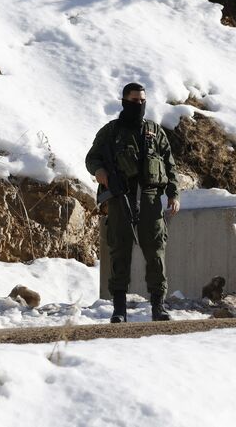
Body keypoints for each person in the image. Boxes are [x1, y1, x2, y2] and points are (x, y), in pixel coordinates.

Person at [85, 82, 180, 323]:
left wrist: (173, 193)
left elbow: (169, 165)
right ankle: (119, 309)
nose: (139, 105)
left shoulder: (154, 131)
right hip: (120, 197)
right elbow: (92, 158)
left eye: (142, 101)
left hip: (150, 199)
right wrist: (100, 173)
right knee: (120, 252)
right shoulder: (111, 132)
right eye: (134, 101)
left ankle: (158, 306)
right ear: (125, 102)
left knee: (155, 251)